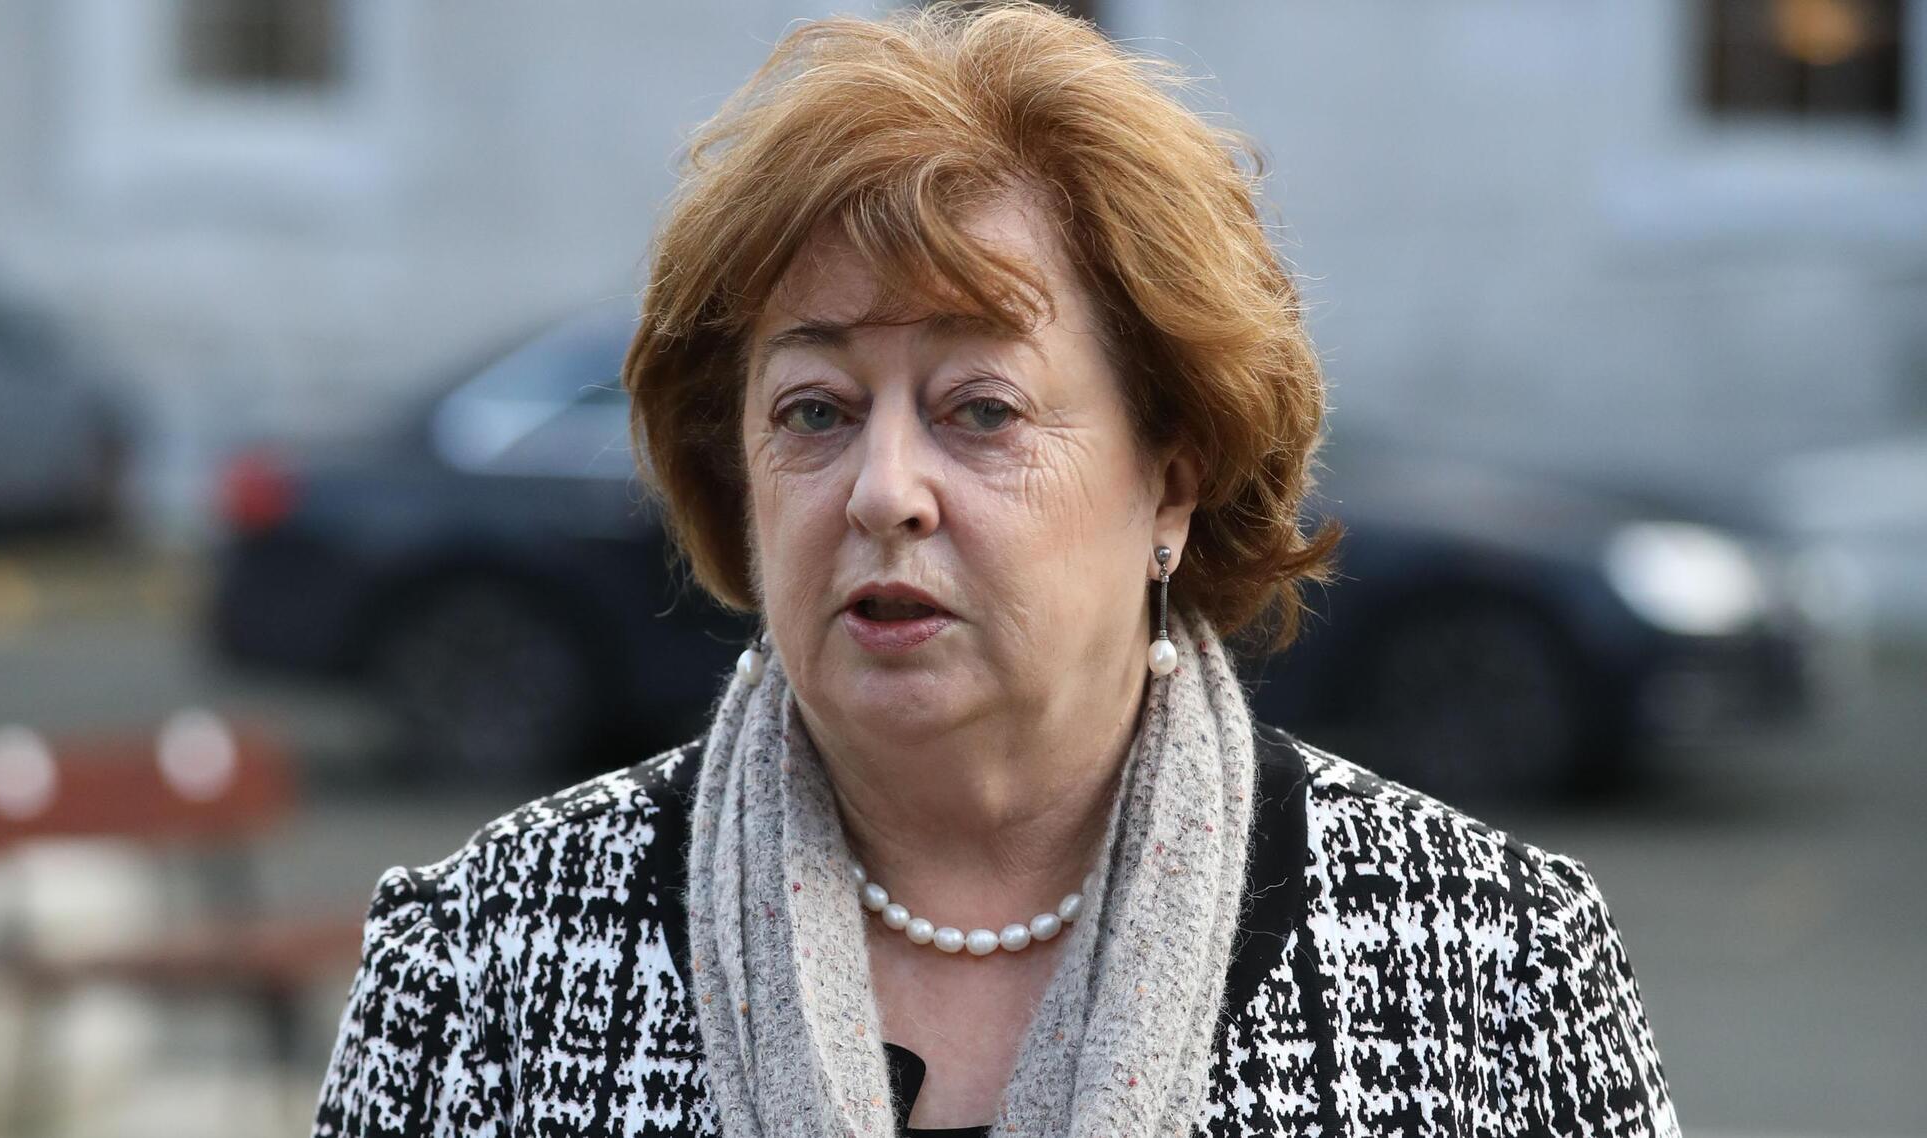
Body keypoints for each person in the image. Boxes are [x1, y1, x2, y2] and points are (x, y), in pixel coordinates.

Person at [310, 3, 1681, 1135]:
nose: (883, 490)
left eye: (980, 409)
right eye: (814, 411)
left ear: (1171, 479)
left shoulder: (1489, 973)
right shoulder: (483, 967)